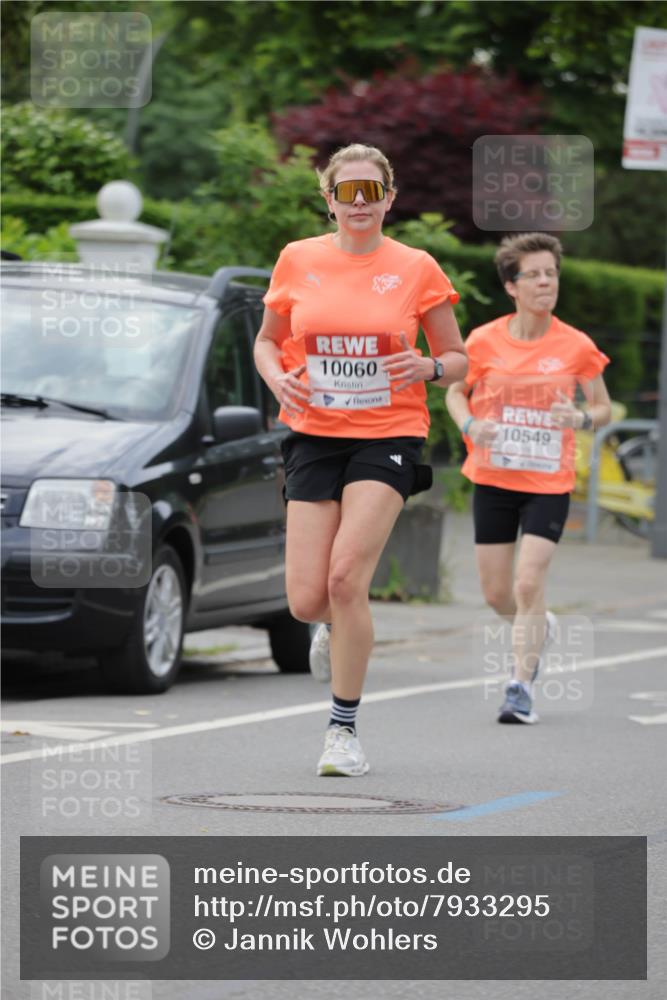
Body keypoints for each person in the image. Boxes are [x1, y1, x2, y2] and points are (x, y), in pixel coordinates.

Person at [254, 143, 467, 775]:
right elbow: (267, 342)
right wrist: (276, 381)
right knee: (305, 599)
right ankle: (333, 628)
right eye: (347, 192)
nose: (359, 203)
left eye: (371, 192)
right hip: (313, 432)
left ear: (389, 199)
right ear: (329, 200)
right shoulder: (298, 259)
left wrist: (428, 366)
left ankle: (342, 731)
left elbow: (458, 358)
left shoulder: (416, 267)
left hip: (389, 432)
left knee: (348, 578)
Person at [446, 232, 612, 724]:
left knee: (527, 581)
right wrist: (472, 424)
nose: (545, 282)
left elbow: (603, 407)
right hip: (494, 477)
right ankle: (540, 625)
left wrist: (579, 419)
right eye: (534, 275)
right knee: (498, 594)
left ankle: (520, 686)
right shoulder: (483, 340)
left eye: (551, 273)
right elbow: (456, 392)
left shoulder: (575, 345)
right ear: (511, 286)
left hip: (547, 481)